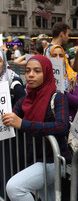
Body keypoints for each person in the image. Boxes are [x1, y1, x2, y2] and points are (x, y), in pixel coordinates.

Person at [2, 55, 71, 201]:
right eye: (27, 71)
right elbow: (11, 116)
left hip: (54, 161)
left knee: (14, 187)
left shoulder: (58, 98)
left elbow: (62, 126)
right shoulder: (25, 100)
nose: (31, 75)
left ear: (46, 73)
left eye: (37, 71)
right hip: (34, 160)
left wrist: (23, 124)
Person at [0, 48, 26, 200]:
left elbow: (24, 106)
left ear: (4, 63)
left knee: (8, 173)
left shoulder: (13, 82)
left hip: (11, 141)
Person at [49, 45, 78, 121]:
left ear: (65, 59)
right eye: (54, 55)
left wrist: (62, 92)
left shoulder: (73, 77)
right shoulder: (41, 75)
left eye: (61, 56)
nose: (58, 58)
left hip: (67, 120)